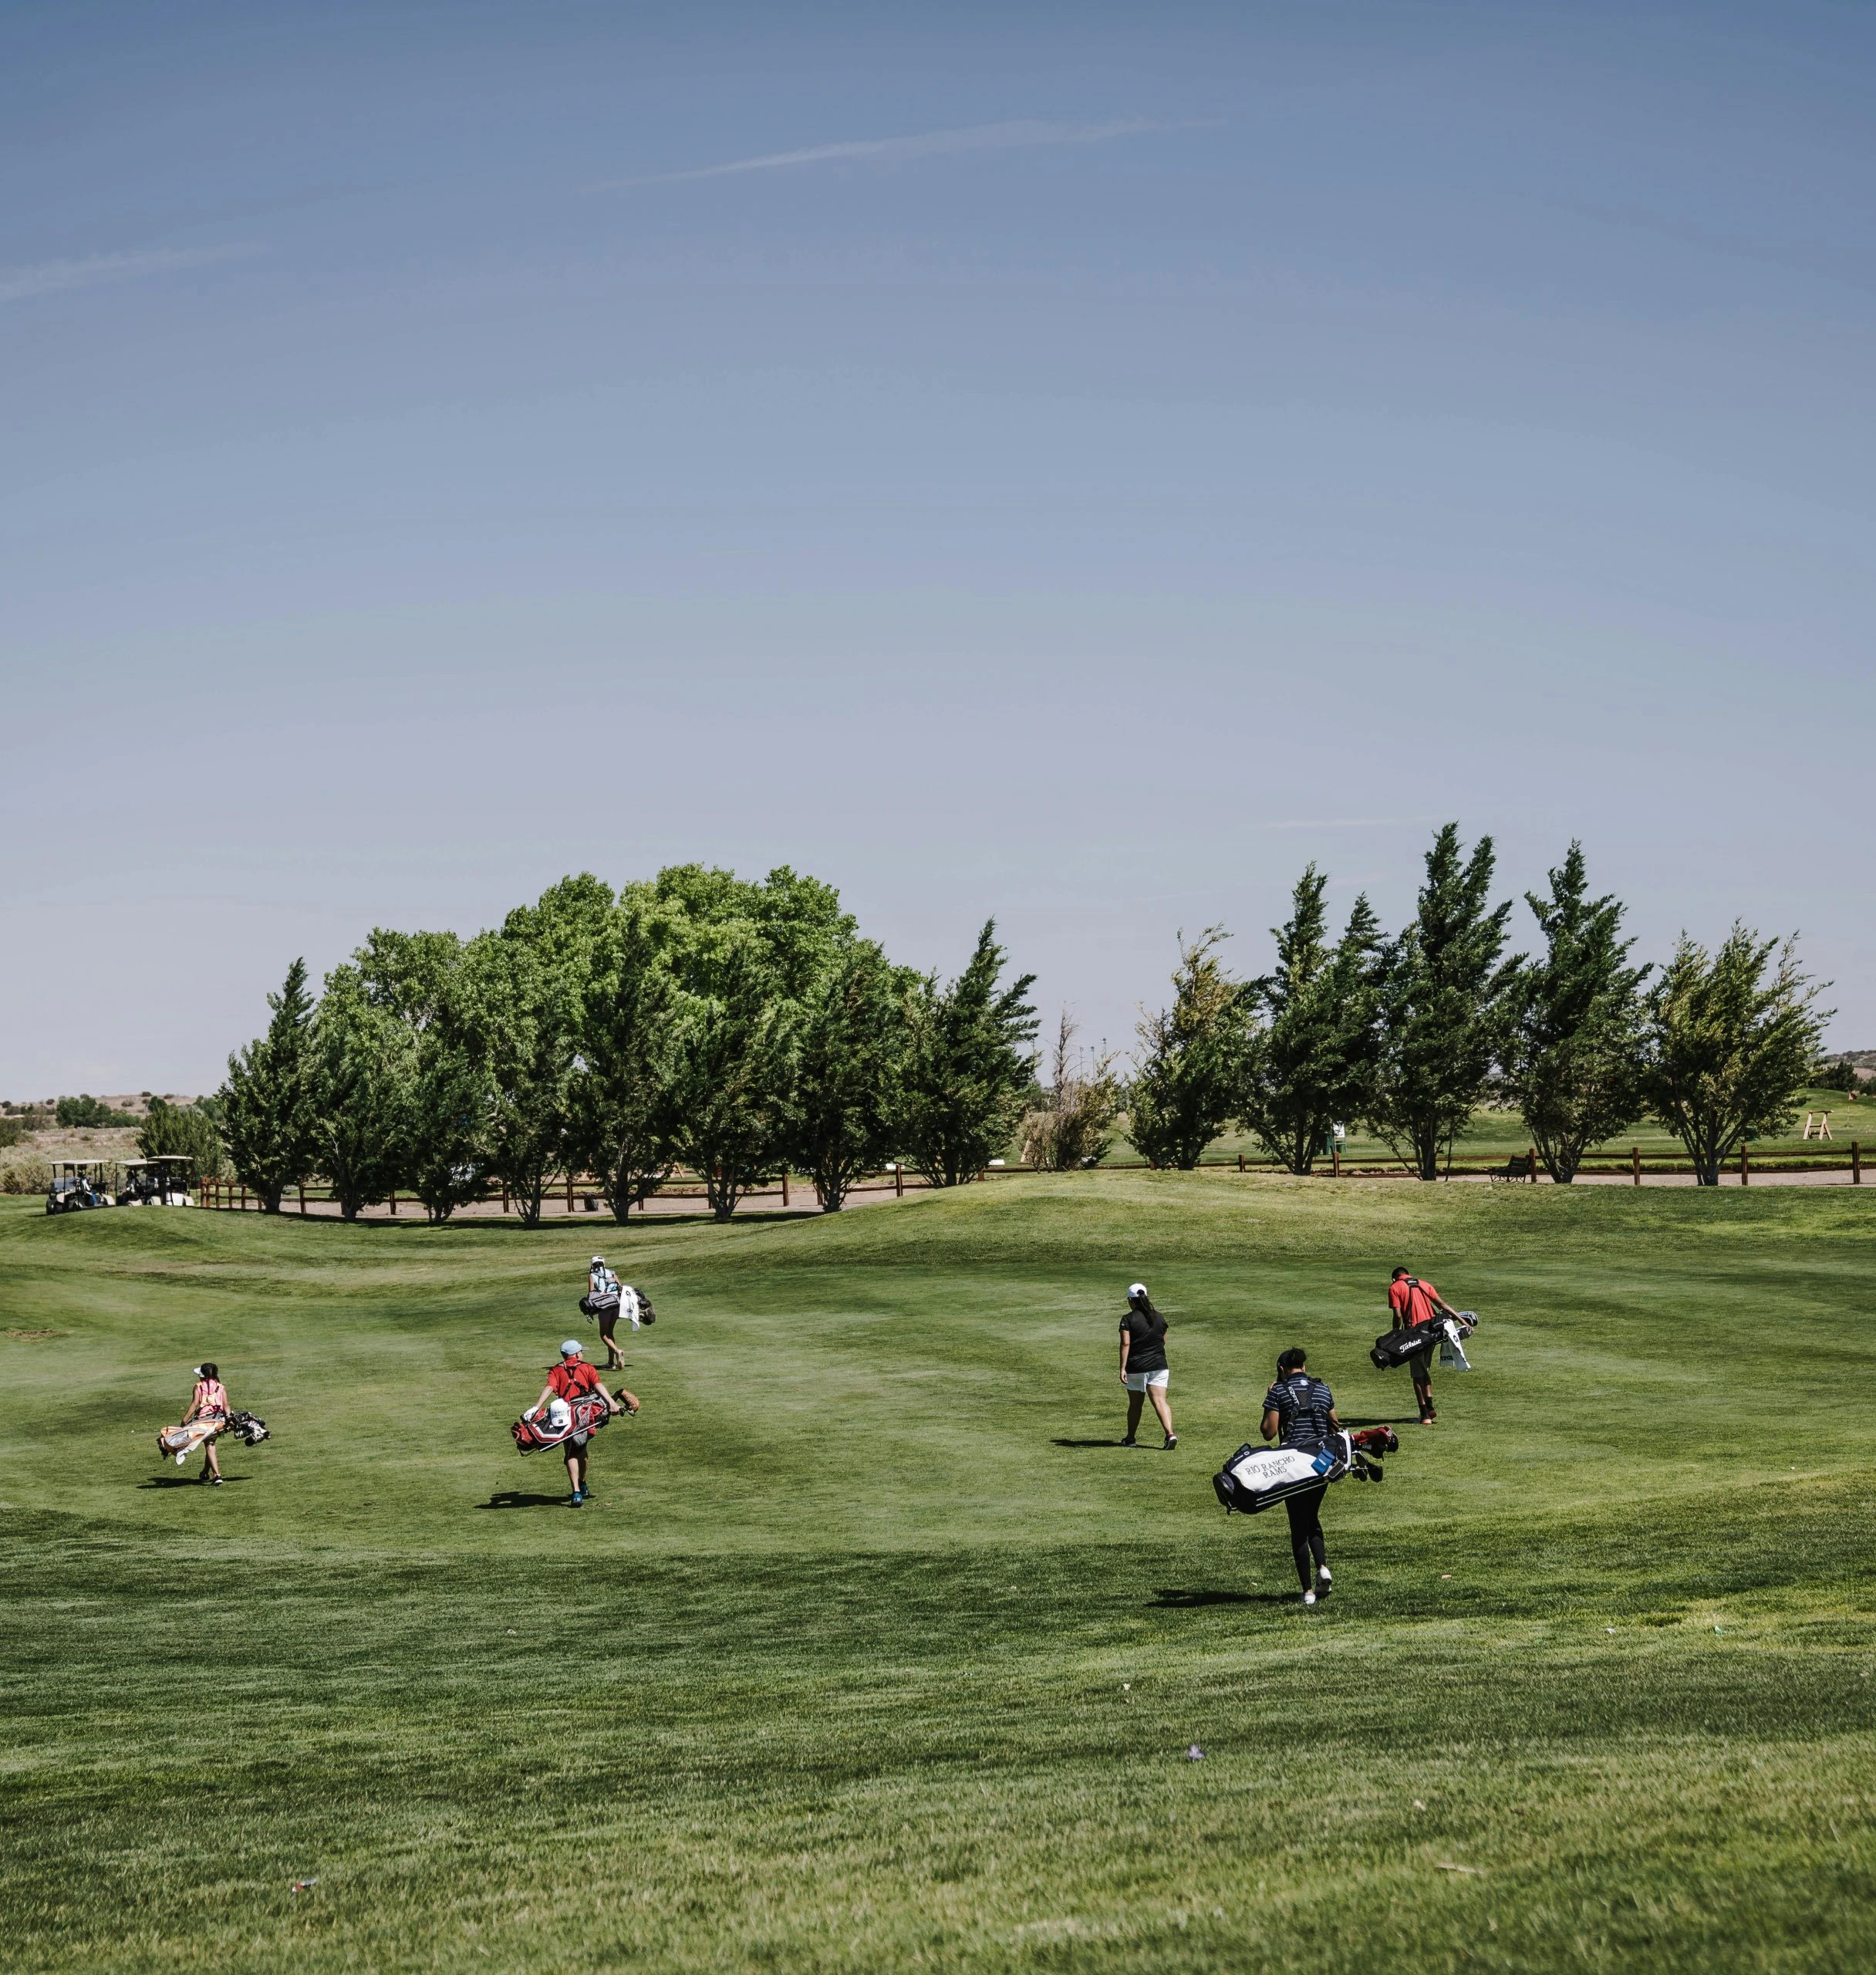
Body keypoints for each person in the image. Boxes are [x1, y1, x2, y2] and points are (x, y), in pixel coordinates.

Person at [1261, 1346, 1342, 1605]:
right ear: (1304, 1367)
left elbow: (1268, 1432)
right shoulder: (1322, 1389)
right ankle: (1322, 1568)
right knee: (1312, 1517)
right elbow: (1335, 1425)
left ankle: (1308, 1590)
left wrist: (1271, 1397)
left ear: (1282, 1369)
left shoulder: (1279, 1391)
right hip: (1321, 1462)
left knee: (1298, 1525)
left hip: (1294, 1463)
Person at [526, 1340, 635, 1507]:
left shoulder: (556, 1370)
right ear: (576, 1354)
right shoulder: (587, 1368)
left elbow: (549, 1387)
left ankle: (580, 1485)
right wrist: (611, 1403)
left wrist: (535, 1407)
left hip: (564, 1416)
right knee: (577, 1451)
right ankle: (578, 1489)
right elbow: (598, 1386)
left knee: (575, 1451)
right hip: (585, 1415)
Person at [1388, 1268, 1463, 1425]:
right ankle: (1429, 1407)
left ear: (1394, 1279)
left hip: (1414, 1335)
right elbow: (1443, 1305)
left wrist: (1395, 1334)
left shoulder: (1395, 1288)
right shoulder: (1424, 1284)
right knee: (1424, 1370)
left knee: (1416, 1374)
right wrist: (1463, 1321)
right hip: (1432, 1333)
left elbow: (1398, 1315)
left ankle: (1424, 1416)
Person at [1118, 1281, 1176, 1450]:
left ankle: (1130, 1439)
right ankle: (1170, 1434)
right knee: (1160, 1400)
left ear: (1131, 1300)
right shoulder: (1159, 1316)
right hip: (1159, 1364)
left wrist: (1122, 1368)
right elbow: (1162, 1339)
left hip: (1137, 1366)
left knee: (1136, 1403)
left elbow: (1125, 1344)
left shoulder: (1128, 1319)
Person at [183, 1362, 231, 1486]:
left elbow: (194, 1404)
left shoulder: (198, 1386)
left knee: (209, 1446)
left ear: (202, 1375)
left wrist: (184, 1421)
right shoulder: (221, 1387)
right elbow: (226, 1405)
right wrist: (229, 1419)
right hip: (218, 1421)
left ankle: (217, 1475)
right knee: (210, 1445)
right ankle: (205, 1473)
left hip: (203, 1421)